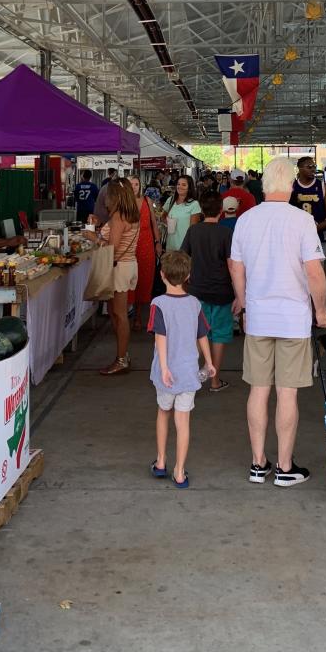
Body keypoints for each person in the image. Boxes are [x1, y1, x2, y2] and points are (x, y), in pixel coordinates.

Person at [229, 156, 326, 486]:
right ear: (289, 185)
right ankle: (285, 467)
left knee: (258, 390)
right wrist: (321, 310)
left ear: (264, 186)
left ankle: (258, 463)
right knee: (287, 394)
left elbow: (235, 266)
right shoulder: (302, 222)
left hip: (258, 317)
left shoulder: (246, 220)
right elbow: (314, 272)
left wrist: (243, 302)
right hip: (293, 319)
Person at [149, 250, 215, 488]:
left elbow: (160, 337)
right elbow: (202, 335)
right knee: (183, 421)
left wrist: (165, 368)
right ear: (188, 276)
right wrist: (209, 362)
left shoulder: (158, 304)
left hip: (166, 375)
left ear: (162, 275)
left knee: (163, 412)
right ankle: (179, 472)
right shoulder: (194, 303)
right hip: (189, 373)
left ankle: (160, 461)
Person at [182, 191, 238, 391]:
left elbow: (183, 260)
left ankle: (191, 379)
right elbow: (232, 266)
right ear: (221, 211)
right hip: (222, 292)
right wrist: (240, 294)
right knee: (220, 336)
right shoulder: (226, 233)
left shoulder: (193, 231)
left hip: (197, 292)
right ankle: (214, 380)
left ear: (202, 209)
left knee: (199, 334)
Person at [99, 179, 141, 376]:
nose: (106, 199)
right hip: (128, 265)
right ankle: (123, 354)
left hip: (119, 267)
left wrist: (94, 238)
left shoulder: (118, 217)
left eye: (108, 195)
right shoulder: (132, 215)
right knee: (116, 313)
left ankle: (122, 358)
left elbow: (111, 249)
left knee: (120, 314)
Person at [128, 175, 161, 332]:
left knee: (145, 278)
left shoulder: (147, 201)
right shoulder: (123, 202)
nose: (134, 186)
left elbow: (154, 223)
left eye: (136, 184)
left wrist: (157, 242)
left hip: (146, 242)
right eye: (131, 184)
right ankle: (132, 312)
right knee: (131, 278)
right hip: (130, 243)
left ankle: (140, 314)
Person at [290, 154, 326, 257]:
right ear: (299, 168)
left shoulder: (323, 187)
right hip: (297, 237)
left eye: (314, 167)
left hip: (318, 236)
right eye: (309, 167)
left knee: (317, 269)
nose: (313, 169)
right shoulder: (291, 187)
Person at [161, 176, 201, 249]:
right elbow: (163, 216)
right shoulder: (170, 200)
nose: (180, 186)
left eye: (184, 185)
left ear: (189, 187)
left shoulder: (194, 204)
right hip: (170, 245)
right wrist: (167, 222)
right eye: (178, 184)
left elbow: (193, 230)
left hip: (184, 246)